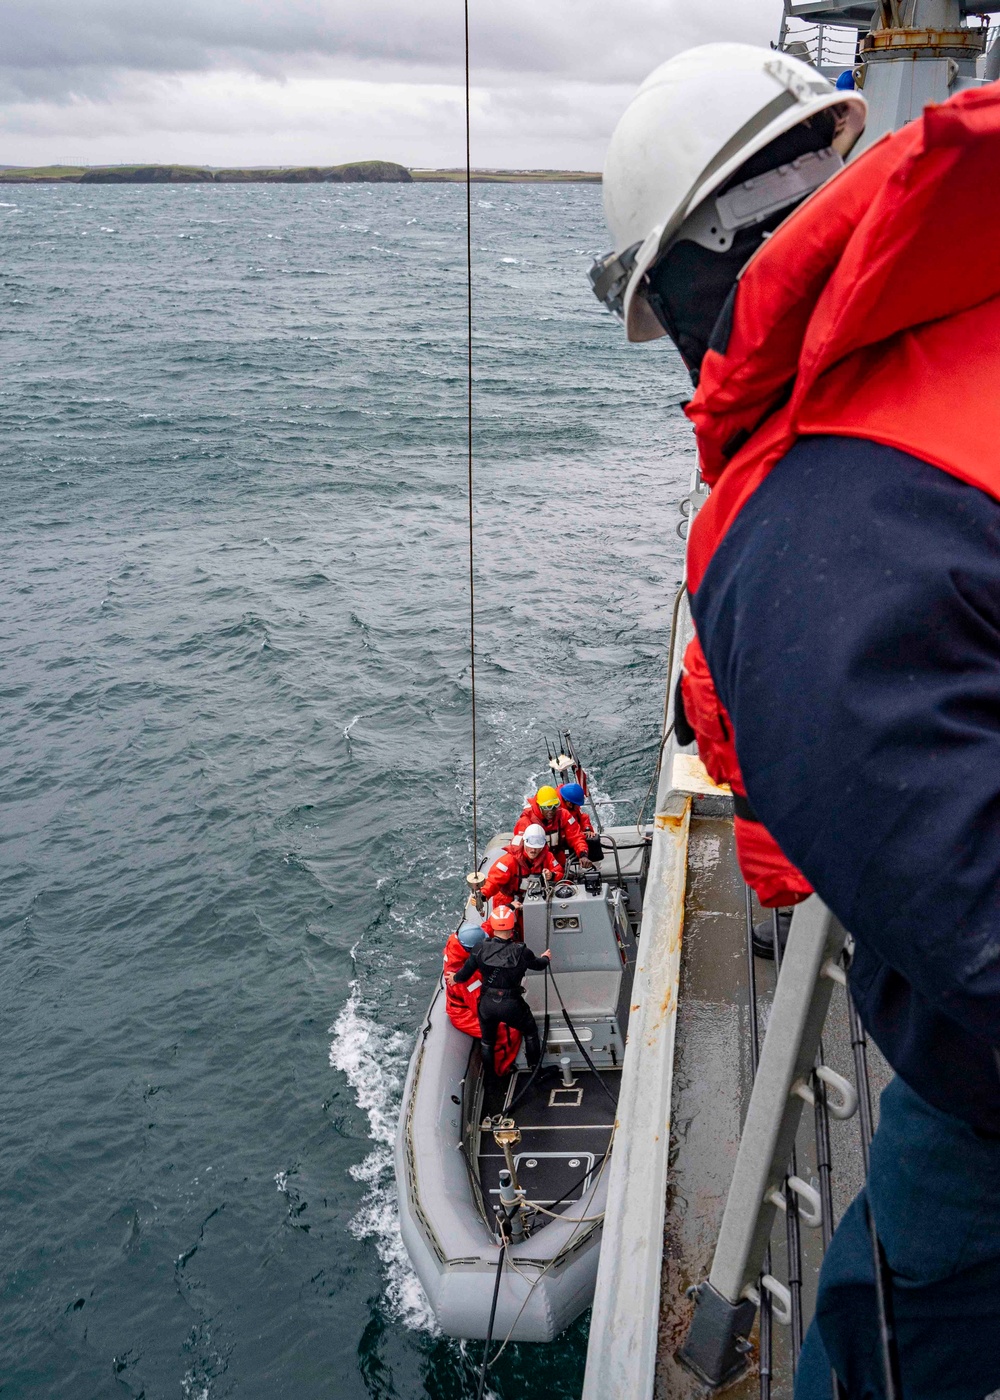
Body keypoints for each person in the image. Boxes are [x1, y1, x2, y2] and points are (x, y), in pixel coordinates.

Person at [593, 42, 1000, 1400]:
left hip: (978, 1100)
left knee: (875, 1343)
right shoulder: (968, 325)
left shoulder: (793, 529)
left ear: (699, 271)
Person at [447, 905, 552, 1085]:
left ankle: (491, 1079)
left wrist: (454, 978)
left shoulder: (478, 949)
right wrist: (546, 957)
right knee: (530, 1031)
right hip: (511, 1003)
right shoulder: (522, 952)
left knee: (488, 1041)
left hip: (487, 1004)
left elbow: (464, 973)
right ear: (512, 928)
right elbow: (539, 964)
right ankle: (536, 1071)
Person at [442, 914, 520, 1075]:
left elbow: (486, 928)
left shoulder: (460, 941)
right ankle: (501, 1070)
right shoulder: (464, 979)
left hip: (471, 999)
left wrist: (510, 909)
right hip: (464, 1013)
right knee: (506, 1030)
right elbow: (482, 1007)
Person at [478, 823, 564, 924]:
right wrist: (483, 895)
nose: (533, 850)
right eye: (531, 846)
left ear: (542, 847)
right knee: (504, 927)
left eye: (537, 848)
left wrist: (552, 875)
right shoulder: (508, 861)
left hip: (533, 899)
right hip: (508, 899)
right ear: (524, 843)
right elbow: (493, 880)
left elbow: (559, 872)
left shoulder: (547, 857)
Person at [512, 784, 591, 866]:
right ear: (539, 806)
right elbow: (519, 849)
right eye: (547, 807)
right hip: (535, 863)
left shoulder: (563, 815)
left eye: (555, 806)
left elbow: (576, 836)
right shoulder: (525, 821)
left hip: (557, 859)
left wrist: (583, 854)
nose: (551, 811)